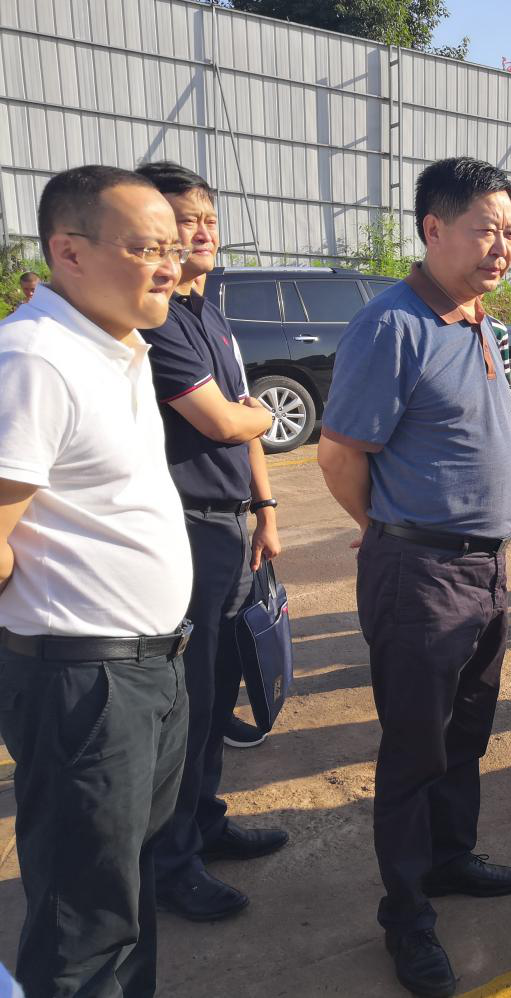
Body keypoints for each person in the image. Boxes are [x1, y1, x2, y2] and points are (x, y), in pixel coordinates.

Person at [317, 157, 511, 998]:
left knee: (464, 732)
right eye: (485, 230)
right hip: (422, 572)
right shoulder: (392, 325)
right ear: (433, 229)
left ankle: (448, 858)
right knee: (413, 749)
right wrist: (385, 532)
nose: (500, 246)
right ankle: (406, 914)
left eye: (509, 231)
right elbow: (339, 454)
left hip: (485, 567)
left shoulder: (476, 318)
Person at [0, 165, 194, 997]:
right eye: (146, 248)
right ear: (69, 252)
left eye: (173, 248)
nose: (170, 266)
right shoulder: (34, 358)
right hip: (84, 681)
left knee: (126, 889)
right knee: (83, 917)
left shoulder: (115, 348)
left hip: (149, 668)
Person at [135, 161, 289, 922]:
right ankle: (171, 860)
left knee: (220, 689)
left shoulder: (209, 313)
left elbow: (245, 425)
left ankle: (205, 821)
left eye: (207, 218)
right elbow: (229, 420)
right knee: (188, 703)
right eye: (183, 220)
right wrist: (254, 413)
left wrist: (266, 509)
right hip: (187, 530)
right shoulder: (158, 320)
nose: (200, 232)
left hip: (231, 526)